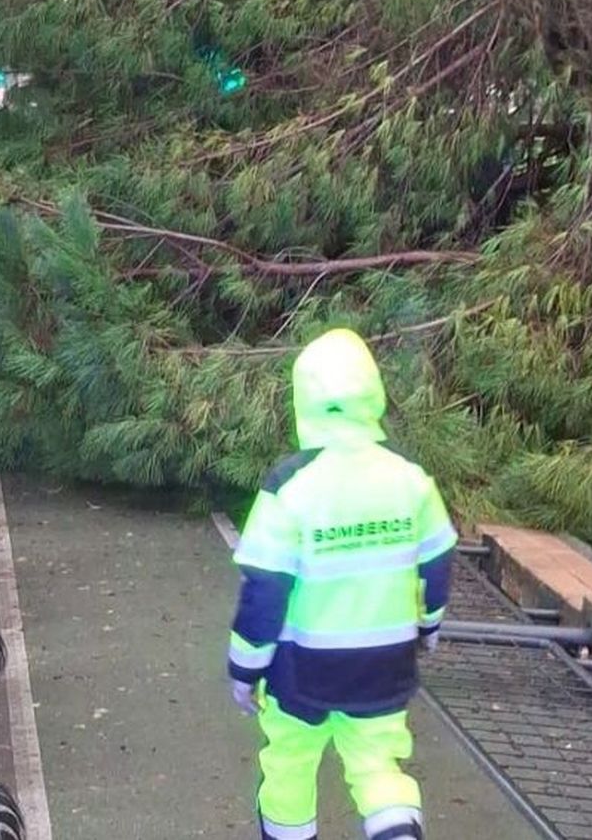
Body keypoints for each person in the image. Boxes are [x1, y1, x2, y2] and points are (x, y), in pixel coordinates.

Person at [227, 328, 456, 840]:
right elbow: (437, 561)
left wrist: (244, 667)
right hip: (384, 661)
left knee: (289, 763)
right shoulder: (409, 477)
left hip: (300, 667)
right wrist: (429, 625)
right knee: (378, 765)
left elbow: (264, 590)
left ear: (302, 400)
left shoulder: (289, 485)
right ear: (373, 394)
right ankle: (396, 830)